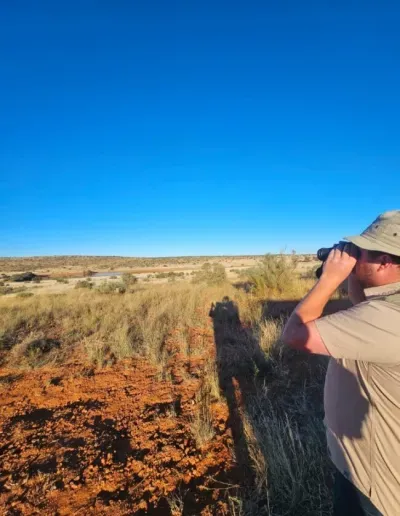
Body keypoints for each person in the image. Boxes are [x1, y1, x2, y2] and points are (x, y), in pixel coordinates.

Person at [281, 210, 400, 516]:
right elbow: (363, 305)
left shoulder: (387, 318)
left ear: (385, 261)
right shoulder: (387, 307)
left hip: (374, 484)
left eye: (360, 252)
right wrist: (355, 274)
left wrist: (330, 279)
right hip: (369, 462)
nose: (352, 257)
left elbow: (296, 334)